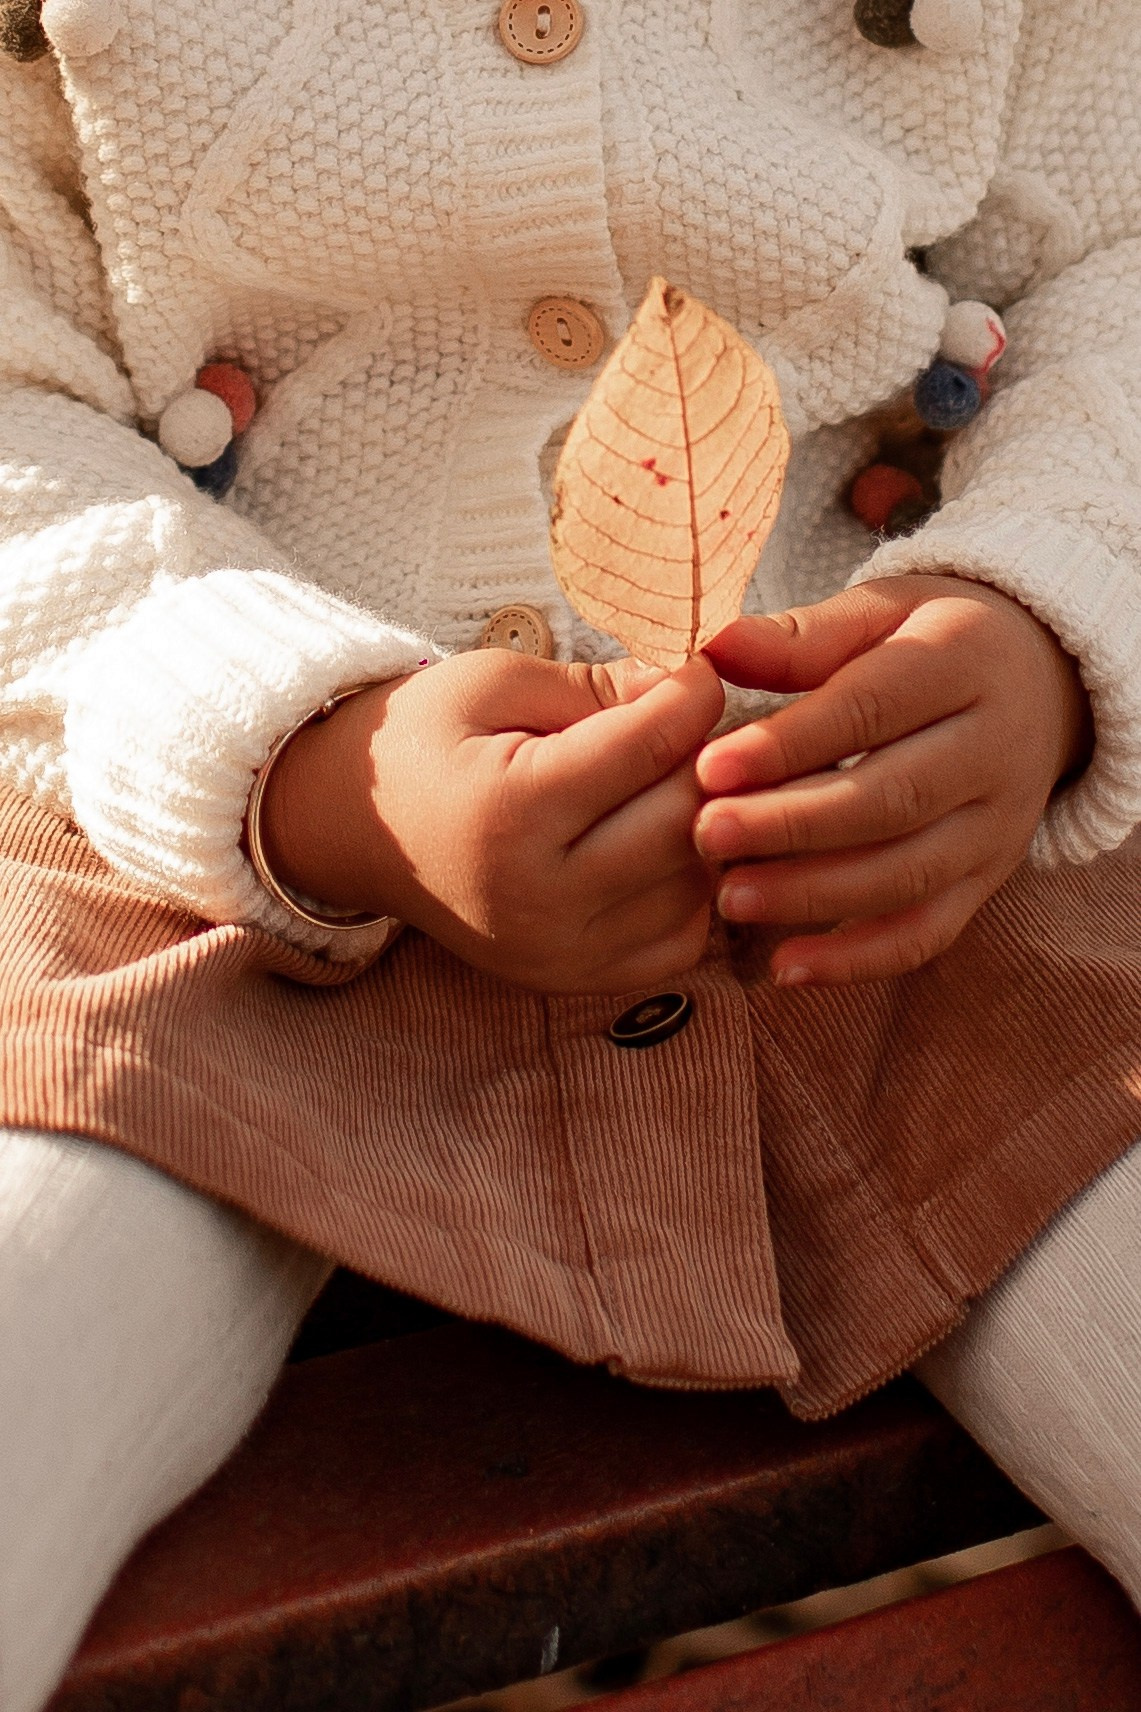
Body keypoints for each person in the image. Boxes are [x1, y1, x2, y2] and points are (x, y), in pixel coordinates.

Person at [1, 0, 1140, 1704]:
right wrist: (312, 759)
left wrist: (1046, 606)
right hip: (164, 850)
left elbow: (1117, 250)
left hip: (924, 856)